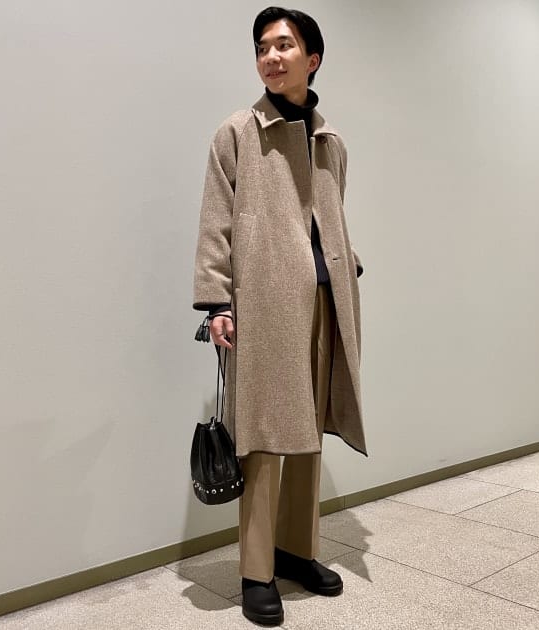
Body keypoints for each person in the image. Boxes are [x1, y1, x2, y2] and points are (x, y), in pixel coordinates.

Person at [193, 6, 367, 625]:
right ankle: (256, 570)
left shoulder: (330, 142)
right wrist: (216, 300)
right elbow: (215, 221)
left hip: (323, 301)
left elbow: (331, 215)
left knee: (308, 432)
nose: (270, 56)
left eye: (284, 45)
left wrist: (349, 262)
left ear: (312, 60)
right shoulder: (237, 133)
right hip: (264, 304)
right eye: (263, 47)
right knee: (264, 437)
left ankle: (297, 551)